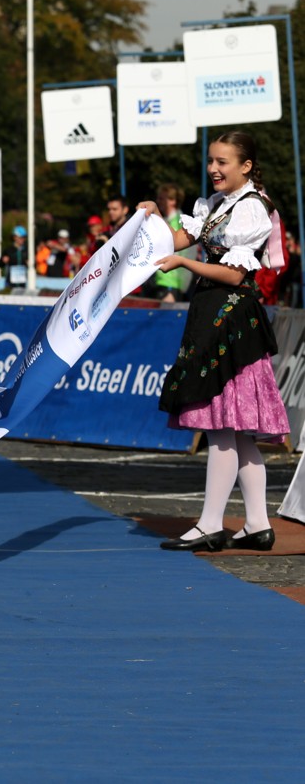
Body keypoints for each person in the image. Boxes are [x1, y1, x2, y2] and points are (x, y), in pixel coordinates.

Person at [150, 131, 289, 553]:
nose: (213, 168)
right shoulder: (213, 205)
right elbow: (179, 238)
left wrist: (184, 262)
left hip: (232, 319)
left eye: (223, 162)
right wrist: (152, 217)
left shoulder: (252, 210)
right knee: (236, 431)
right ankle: (257, 524)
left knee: (222, 426)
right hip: (212, 313)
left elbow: (234, 274)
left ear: (245, 166)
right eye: (211, 160)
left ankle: (210, 524)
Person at [149, 184, 194, 303]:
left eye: (161, 198)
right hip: (162, 280)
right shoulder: (168, 220)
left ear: (173, 201)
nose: (158, 201)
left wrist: (180, 286)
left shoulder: (180, 222)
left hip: (172, 282)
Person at [0, 224, 31, 290]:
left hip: (23, 284)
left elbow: (34, 265)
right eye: (21, 237)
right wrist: (3, 261)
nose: (22, 240)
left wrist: (30, 263)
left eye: (24, 237)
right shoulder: (8, 250)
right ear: (15, 237)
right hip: (10, 284)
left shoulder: (27, 250)